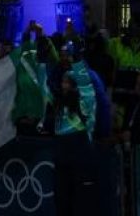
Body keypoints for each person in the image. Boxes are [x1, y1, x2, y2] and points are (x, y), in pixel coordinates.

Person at [47, 39, 100, 216]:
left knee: (82, 207)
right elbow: (43, 87)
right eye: (63, 82)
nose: (64, 86)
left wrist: (76, 61)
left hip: (81, 165)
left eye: (68, 83)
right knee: (62, 207)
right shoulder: (61, 108)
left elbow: (86, 86)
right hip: (62, 167)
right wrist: (40, 60)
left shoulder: (86, 105)